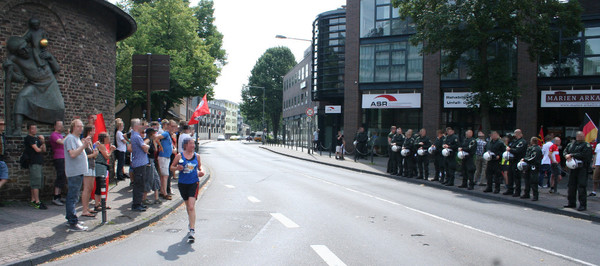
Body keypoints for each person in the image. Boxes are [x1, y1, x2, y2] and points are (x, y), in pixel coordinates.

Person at [170, 138, 205, 242]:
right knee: (187, 206)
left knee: (191, 206)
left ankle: (192, 230)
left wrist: (201, 171)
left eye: (193, 144)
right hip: (182, 184)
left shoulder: (197, 156)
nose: (193, 145)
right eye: (191, 144)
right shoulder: (179, 156)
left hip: (194, 183)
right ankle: (191, 221)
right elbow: (171, 167)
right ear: (185, 145)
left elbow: (200, 167)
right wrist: (177, 169)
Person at [64, 119, 90, 231]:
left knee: (74, 196)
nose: (81, 128)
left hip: (78, 171)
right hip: (74, 172)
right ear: (73, 127)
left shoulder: (76, 138)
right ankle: (72, 222)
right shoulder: (70, 138)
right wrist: (83, 146)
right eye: (78, 126)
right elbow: (73, 154)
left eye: (82, 126)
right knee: (73, 197)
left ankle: (71, 218)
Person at [563, 131, 593, 211]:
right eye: (580, 136)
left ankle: (583, 205)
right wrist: (566, 155)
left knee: (581, 186)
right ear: (577, 137)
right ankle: (571, 203)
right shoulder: (571, 144)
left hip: (582, 169)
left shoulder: (586, 145)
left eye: (582, 136)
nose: (581, 137)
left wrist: (572, 155)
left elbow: (585, 155)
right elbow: (565, 151)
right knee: (571, 186)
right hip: (573, 168)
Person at [24, 123, 47, 209]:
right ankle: (37, 201)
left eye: (35, 128)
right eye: (33, 128)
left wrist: (43, 142)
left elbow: (43, 150)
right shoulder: (29, 138)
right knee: (35, 182)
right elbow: (37, 150)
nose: (35, 130)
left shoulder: (37, 139)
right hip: (33, 162)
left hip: (39, 162)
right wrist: (40, 147)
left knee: (38, 181)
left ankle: (33, 200)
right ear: (29, 129)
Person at [130, 119, 150, 212]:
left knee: (140, 184)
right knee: (139, 184)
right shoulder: (136, 136)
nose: (142, 125)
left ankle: (139, 202)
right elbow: (145, 148)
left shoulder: (136, 135)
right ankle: (136, 204)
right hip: (139, 163)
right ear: (136, 126)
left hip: (140, 163)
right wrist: (147, 146)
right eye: (140, 124)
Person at [94, 132, 116, 212]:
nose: (109, 139)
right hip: (100, 166)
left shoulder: (102, 145)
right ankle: (97, 204)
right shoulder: (101, 146)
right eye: (108, 137)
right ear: (104, 138)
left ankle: (100, 203)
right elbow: (106, 156)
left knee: (102, 185)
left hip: (102, 166)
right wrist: (111, 150)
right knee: (100, 185)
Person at [81, 125, 98, 217]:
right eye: (93, 130)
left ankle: (87, 207)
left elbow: (93, 155)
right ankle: (84, 209)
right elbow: (83, 156)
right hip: (87, 166)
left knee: (90, 188)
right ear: (89, 131)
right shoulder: (84, 141)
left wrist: (95, 152)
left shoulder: (90, 142)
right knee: (86, 188)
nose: (94, 132)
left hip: (92, 165)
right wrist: (93, 155)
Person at [155, 119, 174, 200]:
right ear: (168, 126)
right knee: (165, 175)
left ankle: (163, 191)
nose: (174, 128)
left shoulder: (168, 134)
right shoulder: (166, 133)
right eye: (172, 126)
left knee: (164, 175)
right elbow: (156, 138)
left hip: (166, 156)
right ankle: (164, 192)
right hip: (163, 156)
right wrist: (160, 146)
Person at [49, 120, 66, 206]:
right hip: (58, 158)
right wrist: (68, 135)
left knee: (62, 176)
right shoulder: (54, 135)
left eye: (61, 125)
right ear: (55, 126)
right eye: (59, 125)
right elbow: (62, 142)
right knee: (60, 176)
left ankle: (59, 195)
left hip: (64, 158)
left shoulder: (61, 135)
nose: (61, 127)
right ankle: (55, 197)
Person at [143, 128, 161, 205]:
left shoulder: (152, 141)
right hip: (148, 161)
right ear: (151, 134)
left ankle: (156, 198)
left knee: (156, 179)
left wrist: (154, 141)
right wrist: (146, 149)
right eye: (155, 133)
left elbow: (156, 150)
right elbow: (143, 144)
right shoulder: (148, 139)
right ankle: (144, 198)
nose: (156, 135)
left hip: (152, 161)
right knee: (149, 179)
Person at [506, 129, 527, 197]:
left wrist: (510, 149)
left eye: (515, 134)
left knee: (517, 177)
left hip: (517, 160)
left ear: (518, 134)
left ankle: (517, 191)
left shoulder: (522, 142)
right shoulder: (514, 141)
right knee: (510, 175)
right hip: (511, 161)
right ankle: (510, 190)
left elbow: (518, 150)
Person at [521, 137, 543, 201]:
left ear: (532, 141)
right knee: (527, 180)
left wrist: (525, 159)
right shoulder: (531, 148)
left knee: (533, 181)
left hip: (534, 166)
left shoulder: (537, 149)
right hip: (528, 166)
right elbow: (527, 155)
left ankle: (535, 196)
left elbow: (533, 157)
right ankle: (527, 193)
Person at [0, 123, 8, 207]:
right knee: (4, 178)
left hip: (2, 159)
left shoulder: (3, 135)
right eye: (1, 125)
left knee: (3, 178)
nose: (3, 126)